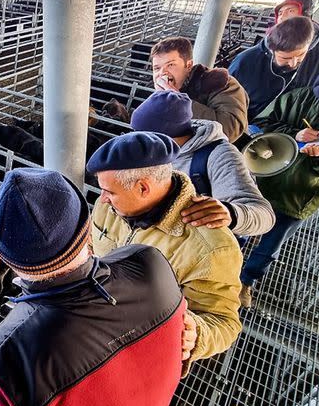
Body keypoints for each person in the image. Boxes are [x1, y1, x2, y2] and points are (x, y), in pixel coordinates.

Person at [0, 168, 186, 406]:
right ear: (87, 228)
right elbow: (179, 345)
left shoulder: (5, 362)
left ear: (5, 259)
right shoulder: (151, 266)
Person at [87, 132, 243, 371]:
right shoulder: (108, 205)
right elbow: (91, 242)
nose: (103, 199)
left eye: (110, 192)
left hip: (138, 350)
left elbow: (225, 323)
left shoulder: (211, 248)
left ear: (143, 188)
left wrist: (197, 334)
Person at [239, 59, 319, 307]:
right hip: (264, 179)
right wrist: (293, 135)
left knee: (271, 245)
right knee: (241, 226)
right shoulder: (301, 97)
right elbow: (262, 124)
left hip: (302, 194)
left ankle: (246, 280)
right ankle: (224, 262)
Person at [130, 91, 275, 237]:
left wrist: (231, 214)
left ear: (165, 136)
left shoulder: (219, 155)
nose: (136, 142)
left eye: (143, 136)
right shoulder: (153, 153)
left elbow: (264, 215)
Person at [230, 16, 319, 119]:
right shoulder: (244, 62)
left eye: (301, 55)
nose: (293, 63)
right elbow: (226, 98)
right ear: (271, 50)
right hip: (251, 123)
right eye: (285, 58)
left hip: (296, 123)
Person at [150, 36, 249, 142]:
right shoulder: (159, 94)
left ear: (188, 65)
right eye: (157, 68)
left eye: (170, 65)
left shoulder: (220, 83)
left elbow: (229, 130)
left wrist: (178, 102)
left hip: (216, 154)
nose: (162, 73)